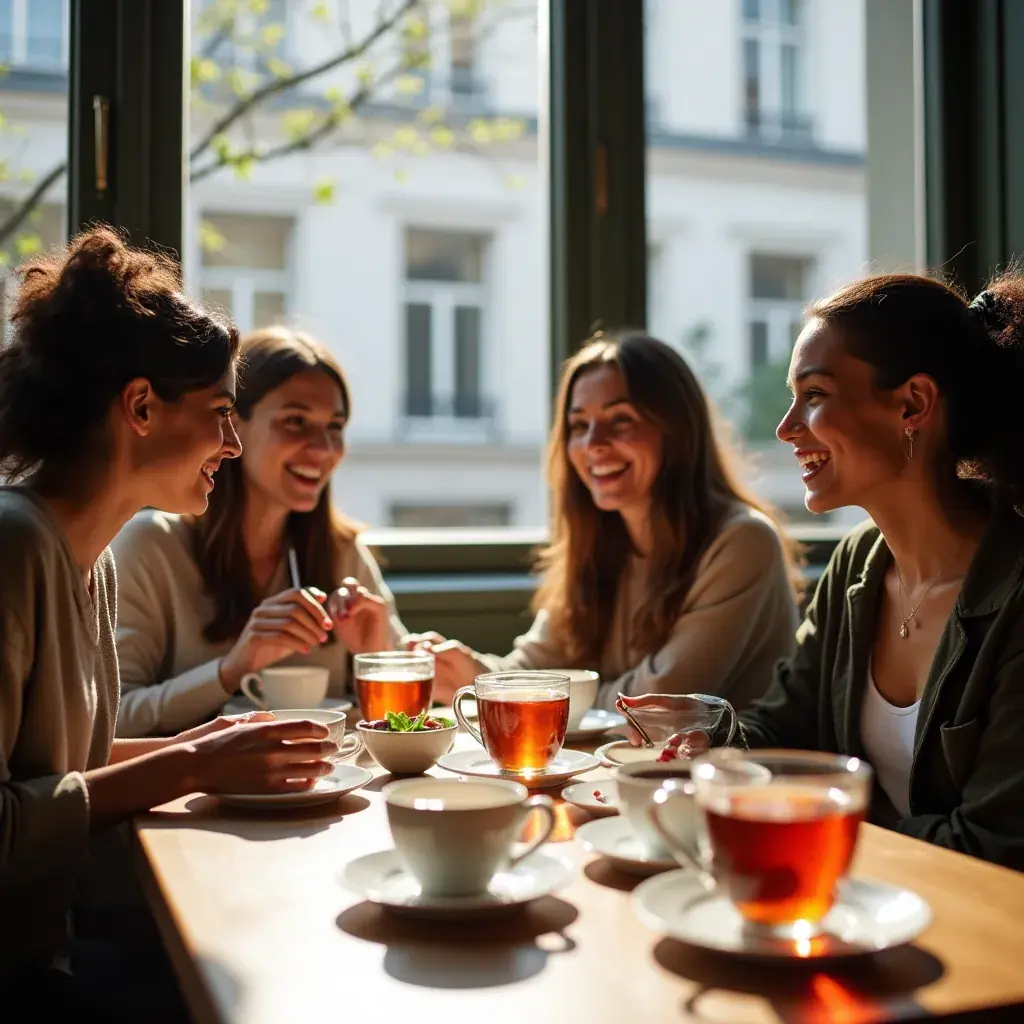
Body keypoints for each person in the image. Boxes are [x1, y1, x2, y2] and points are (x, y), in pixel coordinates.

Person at [0, 228, 335, 1011]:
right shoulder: (13, 549)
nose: (230, 442)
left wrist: (204, 743)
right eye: (222, 413)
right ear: (141, 406)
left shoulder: (92, 558)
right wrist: (188, 767)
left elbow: (55, 764)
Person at [622, 273, 1024, 872]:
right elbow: (789, 723)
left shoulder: (1014, 595)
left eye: (813, 395)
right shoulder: (856, 566)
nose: (786, 427)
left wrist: (815, 807)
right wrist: (716, 738)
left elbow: (990, 849)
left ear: (912, 404)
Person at [407, 331, 801, 710]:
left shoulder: (743, 542)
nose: (594, 443)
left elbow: (661, 699)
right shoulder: (597, 545)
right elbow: (532, 666)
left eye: (621, 420)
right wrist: (476, 673)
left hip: (731, 775)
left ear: (678, 431)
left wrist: (542, 697)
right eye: (579, 425)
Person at [112, 326, 406, 738]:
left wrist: (377, 656)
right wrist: (233, 668)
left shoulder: (344, 554)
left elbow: (403, 723)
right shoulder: (151, 547)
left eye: (335, 426)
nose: (323, 448)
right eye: (295, 421)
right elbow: (111, 721)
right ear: (233, 425)